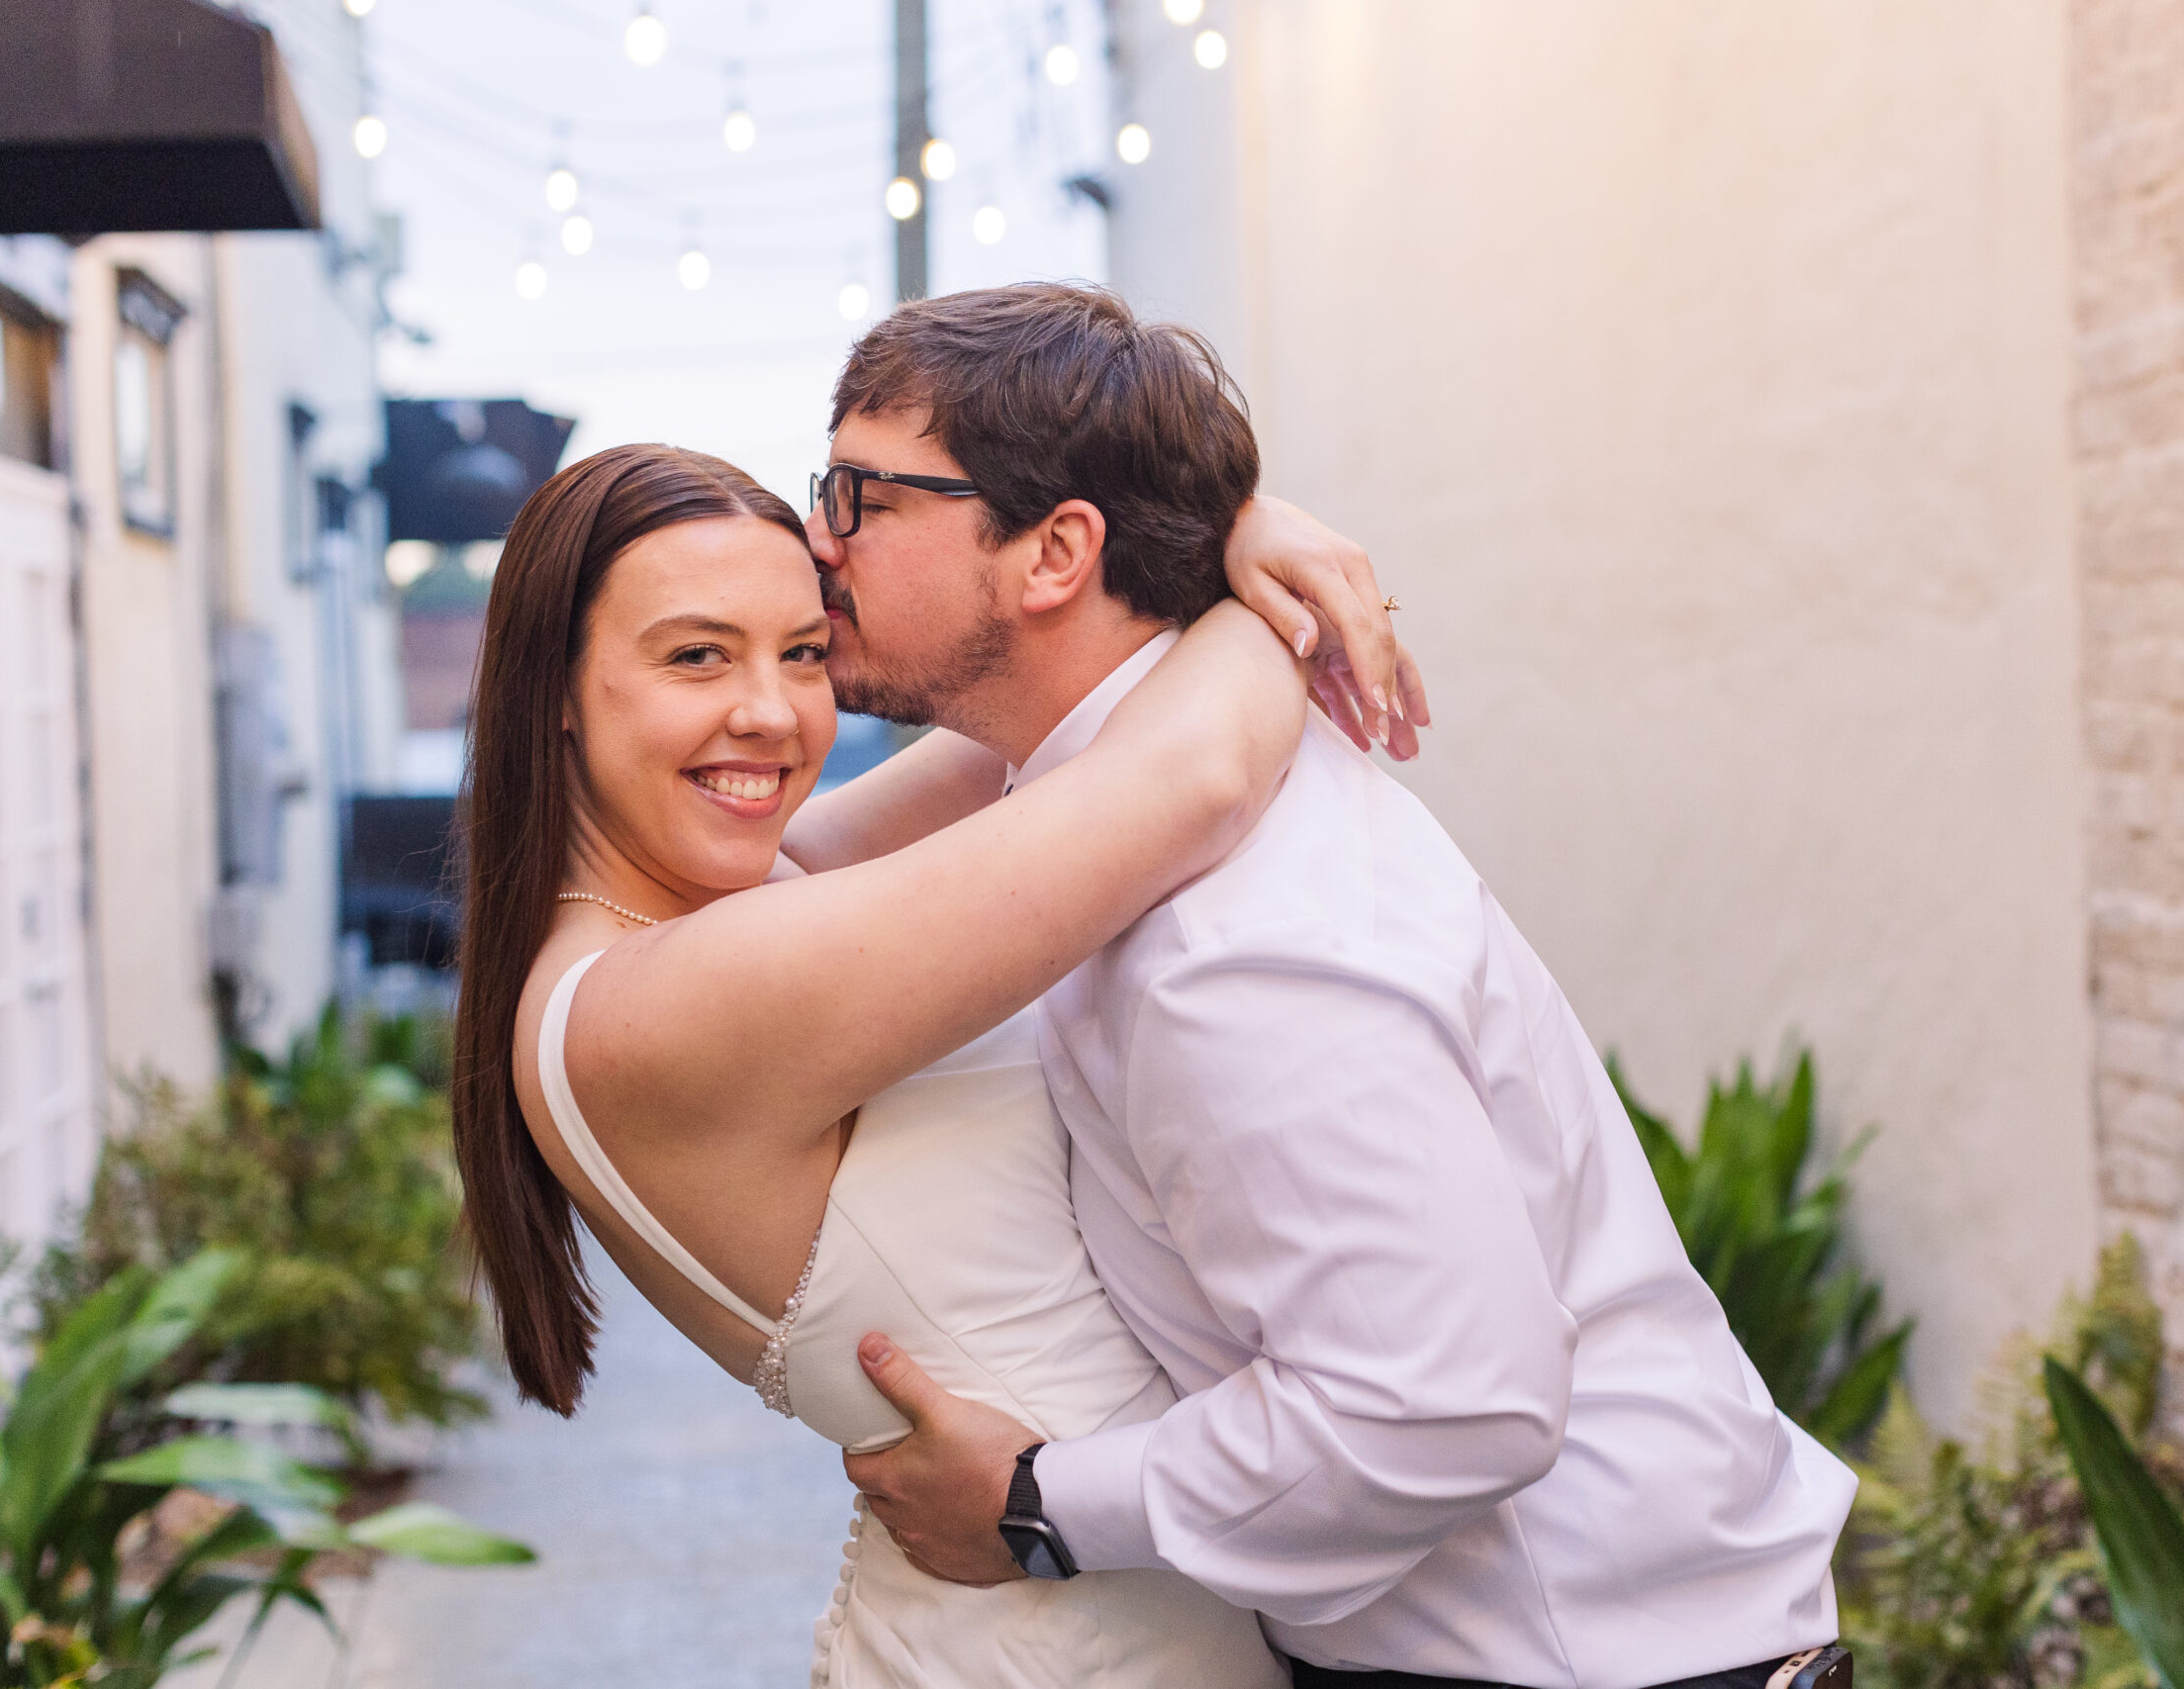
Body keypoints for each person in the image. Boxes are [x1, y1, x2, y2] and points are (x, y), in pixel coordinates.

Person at [812, 283, 1861, 1689]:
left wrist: (1037, 1503)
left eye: (858, 496)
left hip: (1580, 1663)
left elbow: (1445, 1406)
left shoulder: (1230, 949)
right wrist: (1238, 547)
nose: (814, 542)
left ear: (1057, 550)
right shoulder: (1111, 805)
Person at [450, 434, 1418, 1688]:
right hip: (1059, 1651)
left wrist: (1212, 530)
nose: (771, 711)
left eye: (803, 652)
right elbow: (1190, 771)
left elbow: (1063, 696)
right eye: (696, 654)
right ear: (556, 691)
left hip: (1080, 1621)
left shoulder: (722, 909)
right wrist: (1250, 562)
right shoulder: (664, 1001)